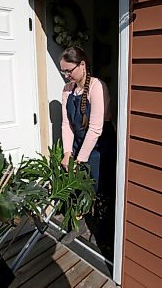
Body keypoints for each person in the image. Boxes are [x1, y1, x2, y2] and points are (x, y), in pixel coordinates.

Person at [59, 46, 116, 244]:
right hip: (78, 142)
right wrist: (68, 152)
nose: (66, 76)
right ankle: (79, 223)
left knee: (100, 188)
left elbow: (95, 129)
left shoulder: (97, 87)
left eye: (69, 71)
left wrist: (81, 159)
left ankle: (102, 230)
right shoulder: (67, 90)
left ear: (82, 65)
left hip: (99, 146)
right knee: (75, 186)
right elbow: (66, 123)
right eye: (63, 72)